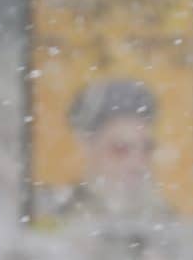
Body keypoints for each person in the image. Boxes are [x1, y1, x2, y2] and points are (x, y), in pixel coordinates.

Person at [63, 78, 169, 222]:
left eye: (146, 149)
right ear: (87, 147)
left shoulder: (169, 224)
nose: (137, 164)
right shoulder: (59, 225)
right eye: (120, 149)